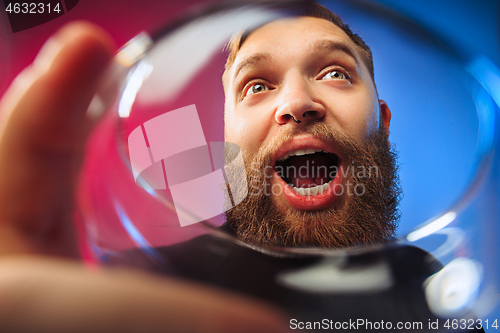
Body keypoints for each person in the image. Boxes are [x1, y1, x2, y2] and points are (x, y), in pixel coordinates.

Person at [0, 2, 484, 332]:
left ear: (380, 121)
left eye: (335, 73)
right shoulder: (145, 284)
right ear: (229, 137)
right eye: (257, 85)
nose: (297, 103)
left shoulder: (436, 289)